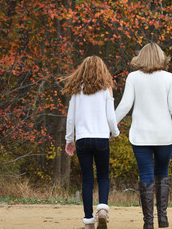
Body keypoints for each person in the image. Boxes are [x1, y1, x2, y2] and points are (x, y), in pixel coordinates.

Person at [115, 43, 172, 229]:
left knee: (146, 175)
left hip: (141, 136)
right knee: (162, 174)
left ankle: (148, 223)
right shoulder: (169, 78)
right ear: (161, 57)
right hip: (164, 135)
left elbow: (125, 105)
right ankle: (162, 219)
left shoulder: (133, 78)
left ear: (141, 57)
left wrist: (110, 124)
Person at [62, 56, 120, 229]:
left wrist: (69, 140)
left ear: (82, 70)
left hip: (82, 139)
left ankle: (88, 221)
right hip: (101, 138)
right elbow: (111, 115)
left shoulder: (76, 91)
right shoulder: (106, 89)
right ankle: (102, 209)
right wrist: (114, 132)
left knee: (87, 180)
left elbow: (70, 118)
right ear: (102, 70)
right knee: (103, 176)